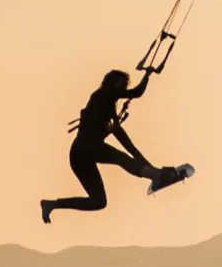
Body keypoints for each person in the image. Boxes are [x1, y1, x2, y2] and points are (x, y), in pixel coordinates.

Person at [41, 63, 191, 224]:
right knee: (120, 158)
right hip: (83, 150)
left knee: (99, 202)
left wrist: (152, 168)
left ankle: (52, 204)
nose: (124, 89)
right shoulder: (101, 95)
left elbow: (128, 145)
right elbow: (137, 92)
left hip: (82, 155)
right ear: (113, 82)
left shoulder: (109, 112)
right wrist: (147, 75)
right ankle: (154, 175)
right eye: (122, 84)